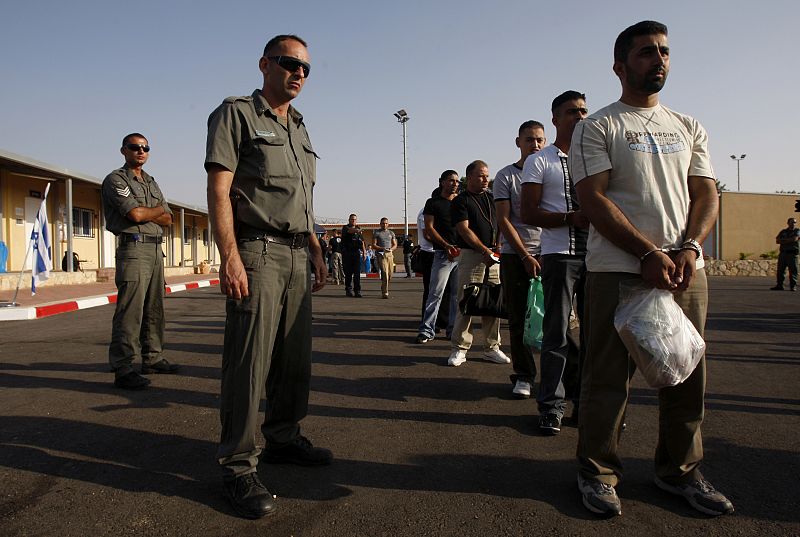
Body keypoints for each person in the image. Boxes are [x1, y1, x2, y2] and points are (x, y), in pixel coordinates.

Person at [570, 21, 734, 517]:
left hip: (685, 270)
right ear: (621, 66)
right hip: (618, 271)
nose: (658, 59)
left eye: (664, 52)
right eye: (645, 53)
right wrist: (646, 253)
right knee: (606, 379)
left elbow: (706, 192)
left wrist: (688, 247)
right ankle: (597, 473)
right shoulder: (597, 125)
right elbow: (592, 199)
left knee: (686, 373)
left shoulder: (688, 125)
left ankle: (679, 471)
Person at [205, 34, 332, 520]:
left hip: (300, 254)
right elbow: (220, 189)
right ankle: (238, 466)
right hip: (256, 250)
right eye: (288, 63)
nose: (298, 73)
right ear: (264, 64)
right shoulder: (236, 113)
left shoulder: (298, 126)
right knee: (249, 361)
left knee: (295, 360)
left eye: (305, 68)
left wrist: (318, 249)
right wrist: (229, 255)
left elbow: (303, 200)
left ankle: (282, 437)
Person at [521, 91, 590, 435]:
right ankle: (551, 405)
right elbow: (528, 212)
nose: (579, 117)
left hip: (599, 258)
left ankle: (588, 404)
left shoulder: (596, 155)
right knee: (557, 334)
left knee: (596, 338)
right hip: (560, 256)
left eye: (583, 111)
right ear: (555, 119)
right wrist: (570, 218)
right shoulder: (541, 160)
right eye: (571, 112)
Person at [101, 133, 179, 391]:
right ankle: (123, 368)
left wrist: (151, 213)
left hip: (156, 251)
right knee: (130, 310)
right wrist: (156, 211)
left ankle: (153, 358)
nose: (141, 151)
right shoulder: (116, 180)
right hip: (133, 250)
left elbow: (169, 219)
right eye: (135, 147)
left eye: (145, 147)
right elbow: (134, 213)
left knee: (155, 308)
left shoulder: (151, 182)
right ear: (124, 150)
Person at [494, 121, 544, 398]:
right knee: (518, 318)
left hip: (551, 254)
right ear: (518, 142)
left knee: (556, 319)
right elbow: (503, 219)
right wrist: (525, 254)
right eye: (529, 140)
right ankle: (524, 375)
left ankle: (558, 377)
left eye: (539, 140)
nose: (535, 145)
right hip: (516, 256)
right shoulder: (506, 176)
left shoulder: (555, 172)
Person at [448, 161, 511, 367]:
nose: (486, 180)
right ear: (470, 177)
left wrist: (498, 246)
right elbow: (464, 229)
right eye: (481, 176)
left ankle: (492, 348)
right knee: (466, 301)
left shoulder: (492, 198)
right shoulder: (461, 201)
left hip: (493, 256)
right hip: (472, 256)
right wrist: (484, 250)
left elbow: (502, 221)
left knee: (493, 301)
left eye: (487, 176)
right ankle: (459, 348)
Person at [416, 171, 461, 343]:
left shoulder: (461, 202)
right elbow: (429, 228)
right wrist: (446, 246)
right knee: (435, 293)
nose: (455, 184)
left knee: (457, 296)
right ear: (442, 182)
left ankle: (453, 330)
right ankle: (427, 330)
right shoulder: (433, 203)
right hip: (442, 255)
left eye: (457, 181)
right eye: (451, 180)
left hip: (461, 254)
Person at [771, 217, 799, 291]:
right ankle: (780, 285)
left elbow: (795, 239)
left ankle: (793, 286)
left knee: (793, 271)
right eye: (792, 222)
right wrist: (788, 241)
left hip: (792, 254)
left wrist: (783, 241)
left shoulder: (797, 231)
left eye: (795, 222)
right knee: (780, 270)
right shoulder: (783, 231)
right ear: (788, 223)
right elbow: (777, 240)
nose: (794, 224)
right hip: (783, 253)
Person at [373, 217, 397, 298]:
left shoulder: (391, 233)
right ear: (380, 224)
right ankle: (385, 292)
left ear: (388, 224)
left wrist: (391, 249)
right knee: (385, 273)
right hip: (381, 255)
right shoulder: (377, 233)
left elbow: (395, 244)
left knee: (390, 274)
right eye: (383, 223)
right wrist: (382, 248)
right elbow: (374, 245)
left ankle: (383, 285)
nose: (384, 225)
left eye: (386, 223)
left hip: (389, 254)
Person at [342, 213, 365, 297]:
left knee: (357, 273)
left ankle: (357, 291)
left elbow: (362, 242)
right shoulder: (345, 228)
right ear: (349, 220)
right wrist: (357, 231)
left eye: (355, 219)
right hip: (347, 253)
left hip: (356, 253)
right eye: (352, 219)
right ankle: (348, 290)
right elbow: (350, 231)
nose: (353, 221)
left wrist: (364, 252)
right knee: (348, 273)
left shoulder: (358, 229)